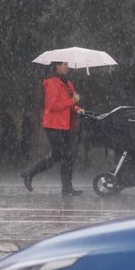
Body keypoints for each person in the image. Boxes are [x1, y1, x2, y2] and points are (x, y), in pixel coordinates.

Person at [21, 61, 84, 196]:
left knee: (67, 157)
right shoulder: (52, 83)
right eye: (64, 64)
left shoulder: (68, 84)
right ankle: (29, 173)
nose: (67, 66)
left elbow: (69, 106)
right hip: (53, 125)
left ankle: (67, 188)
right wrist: (73, 101)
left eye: (67, 64)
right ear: (56, 66)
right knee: (61, 155)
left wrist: (77, 108)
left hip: (65, 125)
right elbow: (53, 106)